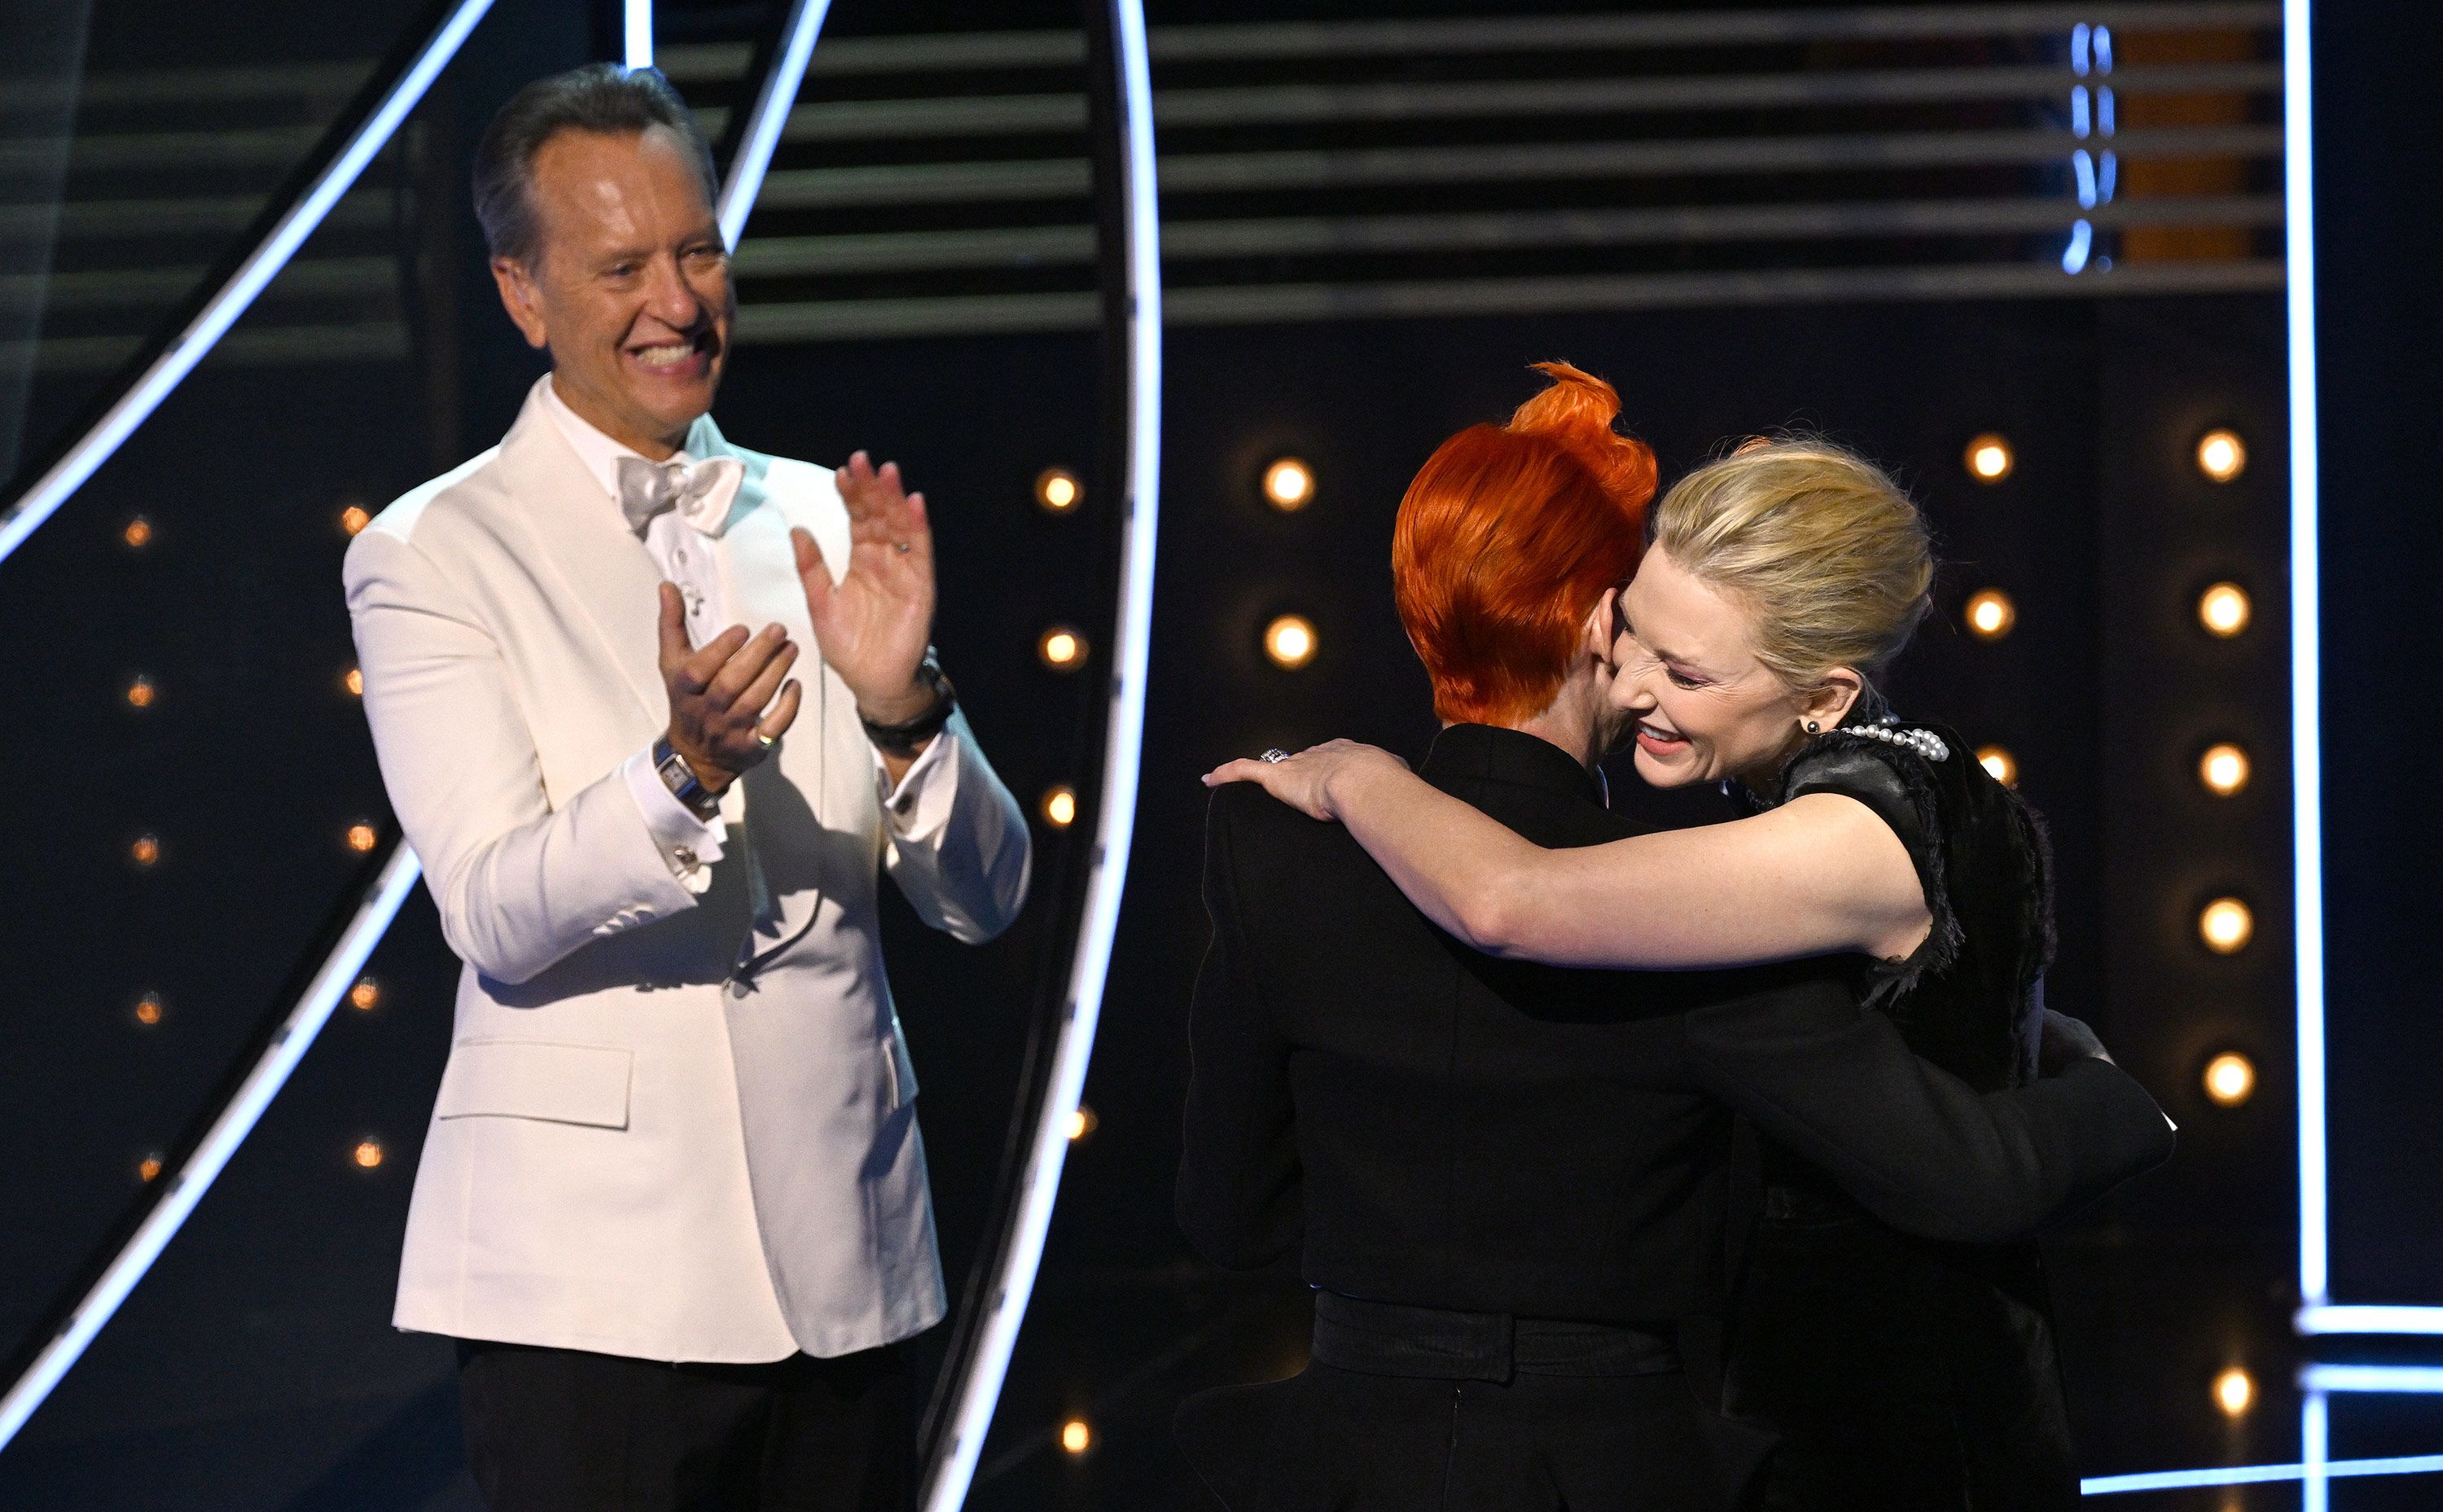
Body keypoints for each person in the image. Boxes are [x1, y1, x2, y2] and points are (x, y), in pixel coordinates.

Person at [1181, 366, 2172, 1511]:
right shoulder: (1708, 913)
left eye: (1685, 667)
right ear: (1598, 620)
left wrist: (1353, 771)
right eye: (1639, 636)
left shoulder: (1293, 848)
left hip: (1352, 1456)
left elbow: (1234, 1207)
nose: (1642, 680)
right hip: (1636, 1458)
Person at [343, 65, 1030, 1512]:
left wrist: (908, 707)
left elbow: (985, 898)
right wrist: (680, 776)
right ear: (523, 294)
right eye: (620, 267)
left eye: (698, 251)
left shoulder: (817, 519)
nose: (676, 301)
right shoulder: (434, 553)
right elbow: (494, 909)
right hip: (588, 1292)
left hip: (843, 1262)